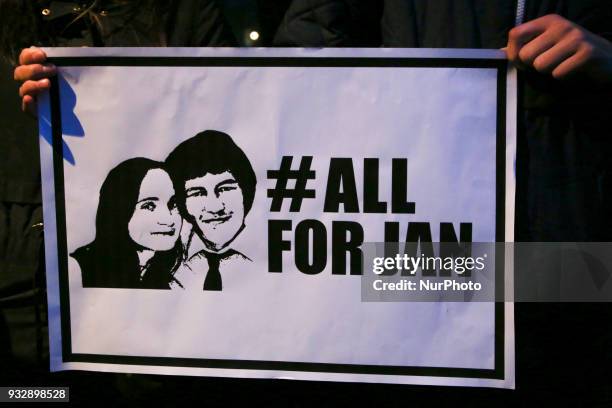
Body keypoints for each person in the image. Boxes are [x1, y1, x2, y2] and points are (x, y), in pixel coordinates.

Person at [165, 130, 257, 291]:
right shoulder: (165, 265)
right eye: (197, 193)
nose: (215, 207)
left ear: (246, 191)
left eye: (226, 188)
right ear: (182, 203)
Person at [72, 158, 183, 289]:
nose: (168, 218)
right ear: (120, 210)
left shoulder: (176, 273)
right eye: (149, 206)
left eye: (173, 204)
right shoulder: (79, 267)